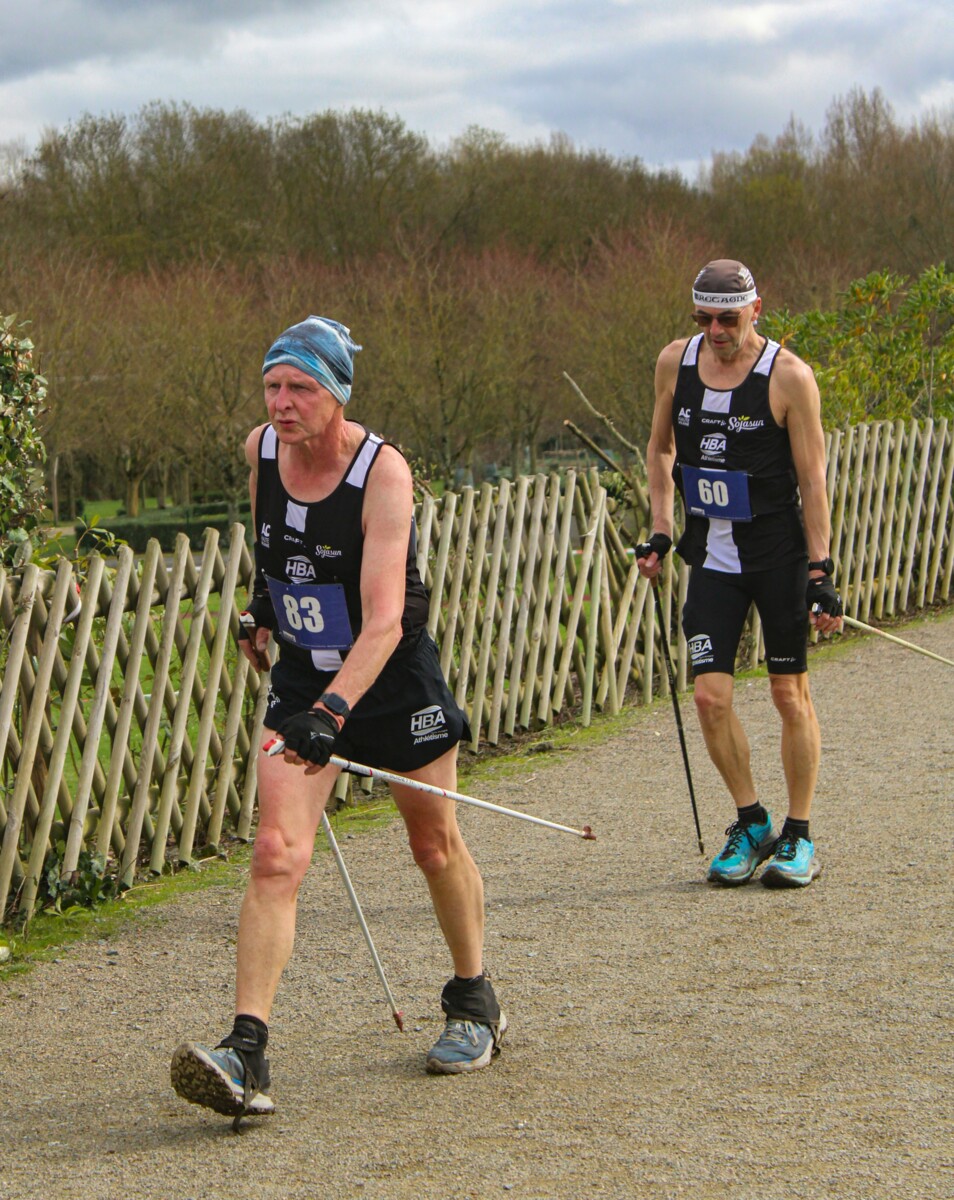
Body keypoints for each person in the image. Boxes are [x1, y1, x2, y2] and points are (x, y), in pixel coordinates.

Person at [171, 316, 505, 1120]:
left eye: (301, 388)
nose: (281, 403)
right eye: (272, 386)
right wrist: (262, 610)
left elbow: (385, 618)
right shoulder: (261, 451)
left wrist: (334, 709)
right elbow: (275, 548)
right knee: (275, 854)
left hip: (389, 683)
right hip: (303, 679)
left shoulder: (381, 471)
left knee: (432, 842)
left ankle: (473, 998)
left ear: (337, 393)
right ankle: (246, 1052)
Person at [637, 260, 843, 889]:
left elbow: (812, 480)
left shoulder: (788, 376)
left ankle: (799, 834)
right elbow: (661, 448)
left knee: (788, 694)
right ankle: (753, 823)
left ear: (756, 309)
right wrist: (662, 528)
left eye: (728, 318)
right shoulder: (675, 362)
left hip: (778, 558)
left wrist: (820, 571)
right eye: (703, 318)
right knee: (710, 697)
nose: (716, 331)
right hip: (713, 559)